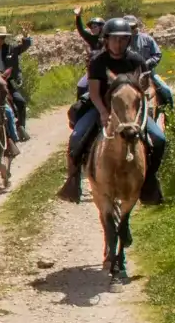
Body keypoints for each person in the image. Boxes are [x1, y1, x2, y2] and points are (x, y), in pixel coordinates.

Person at [58, 17, 166, 205]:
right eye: (114, 39)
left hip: (131, 112)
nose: (118, 43)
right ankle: (73, 181)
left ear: (128, 40)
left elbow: (146, 87)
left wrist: (142, 105)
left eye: (123, 39)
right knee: (76, 137)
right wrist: (102, 112)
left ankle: (149, 180)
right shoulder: (98, 62)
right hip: (102, 106)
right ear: (106, 40)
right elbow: (93, 92)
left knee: (159, 139)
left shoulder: (136, 60)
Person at [0, 25, 34, 141]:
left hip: (7, 81)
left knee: (20, 102)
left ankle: (21, 127)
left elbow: (25, 46)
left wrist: (26, 37)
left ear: (4, 38)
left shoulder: (11, 49)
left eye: (2, 38)